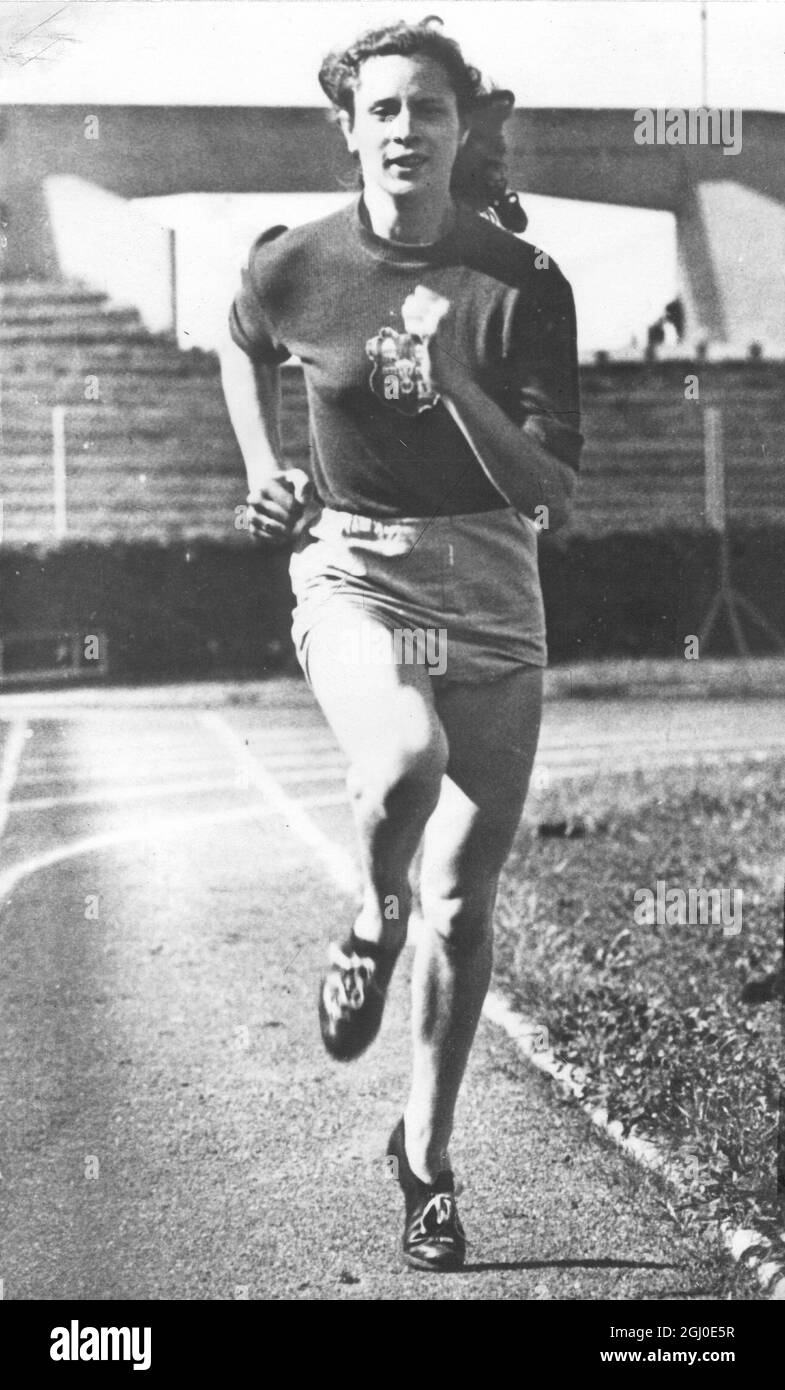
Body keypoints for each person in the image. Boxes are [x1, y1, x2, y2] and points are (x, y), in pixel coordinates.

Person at [220, 15, 583, 1272]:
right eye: (380, 111)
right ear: (351, 129)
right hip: (353, 565)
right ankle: (364, 929)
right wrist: (267, 471)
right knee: (400, 767)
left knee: (462, 900)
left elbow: (549, 486)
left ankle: (423, 1159)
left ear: (460, 126)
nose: (403, 131)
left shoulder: (521, 282)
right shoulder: (297, 262)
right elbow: (239, 338)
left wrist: (455, 383)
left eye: (426, 110)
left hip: (492, 574)